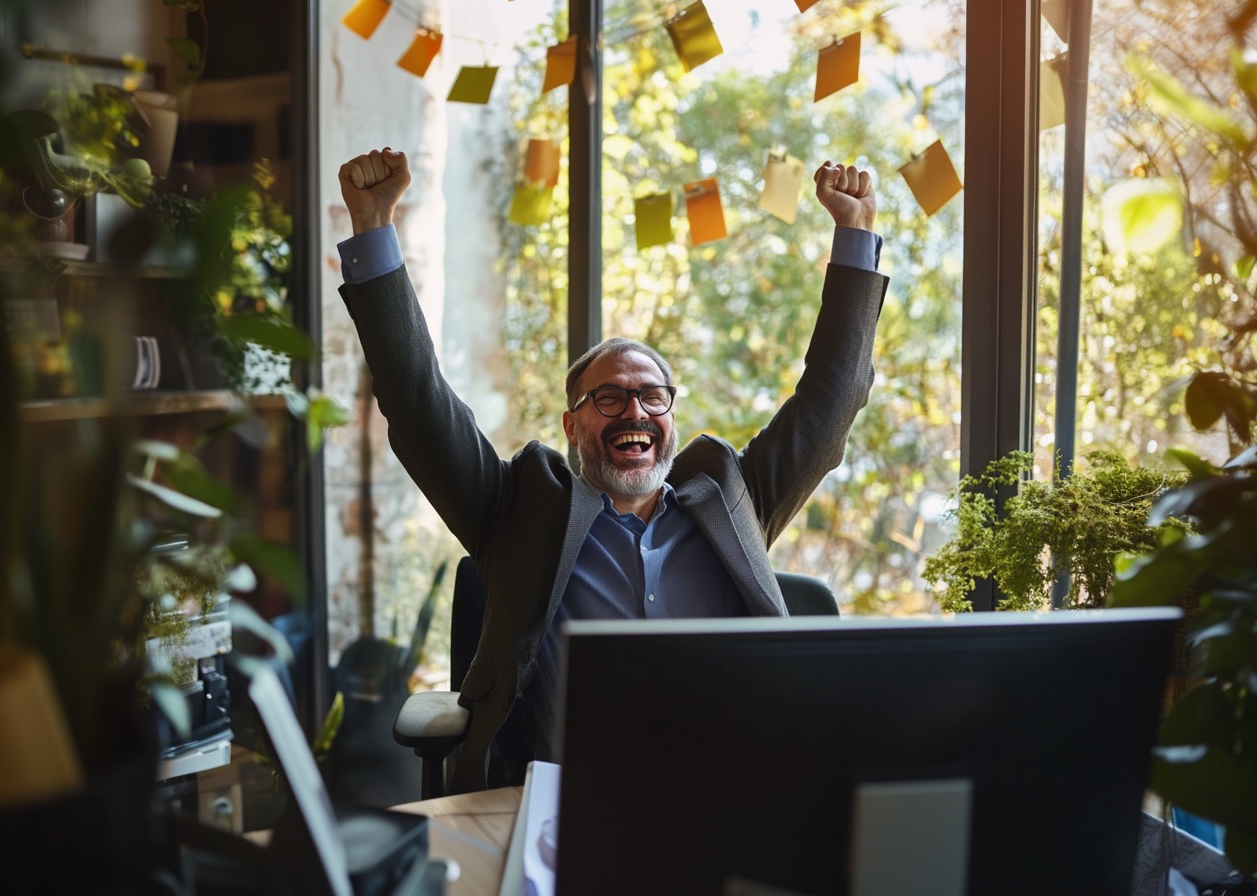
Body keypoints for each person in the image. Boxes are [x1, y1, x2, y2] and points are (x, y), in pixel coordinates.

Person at [335, 147, 888, 793]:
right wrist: (373, 226)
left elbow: (830, 404)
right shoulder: (515, 512)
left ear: (671, 418)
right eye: (608, 398)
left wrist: (855, 233)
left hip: (730, 795)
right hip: (569, 801)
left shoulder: (735, 498)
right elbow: (415, 399)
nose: (634, 410)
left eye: (652, 396)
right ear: (573, 425)